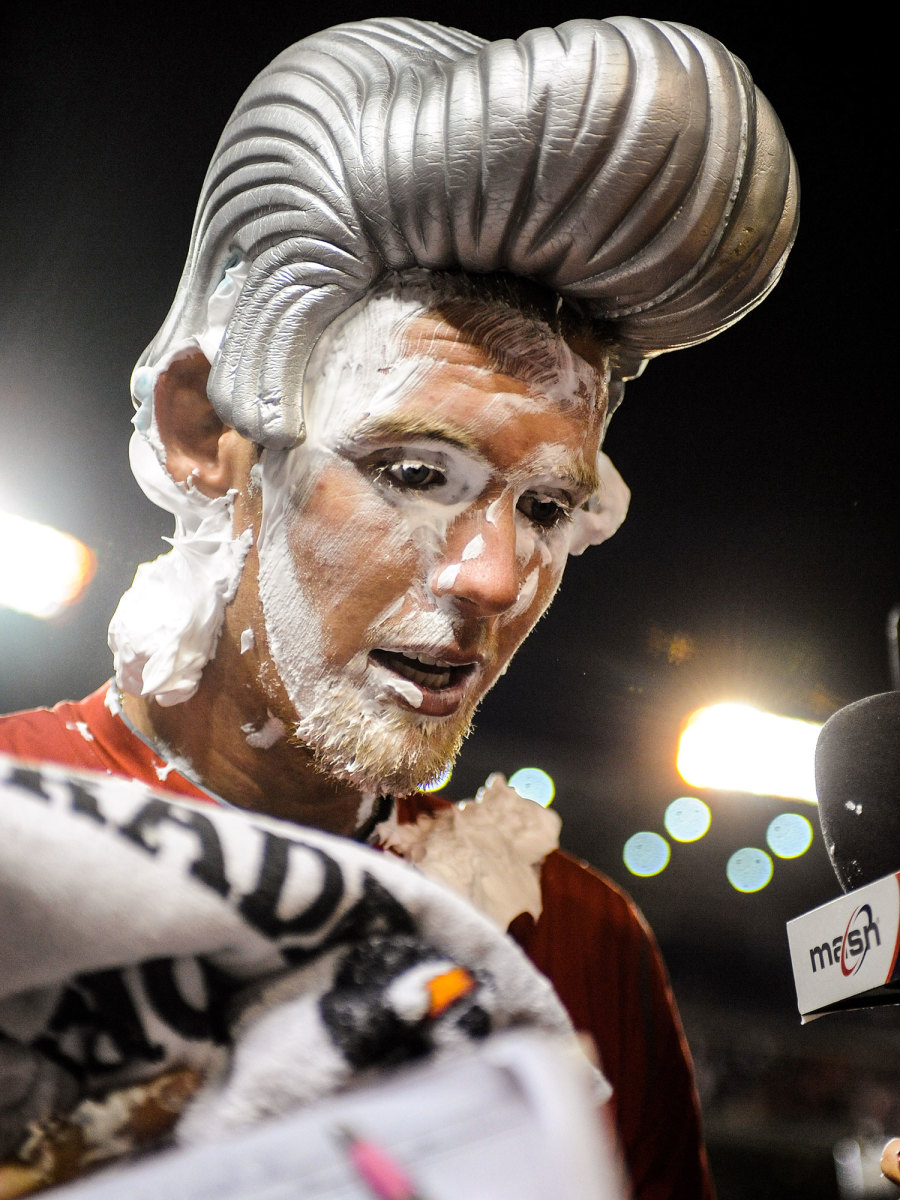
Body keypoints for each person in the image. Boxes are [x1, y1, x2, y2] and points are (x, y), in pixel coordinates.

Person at [0, 16, 798, 1198]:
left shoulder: (582, 946)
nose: (492, 577)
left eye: (546, 508)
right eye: (415, 474)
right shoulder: (12, 827)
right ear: (208, 431)